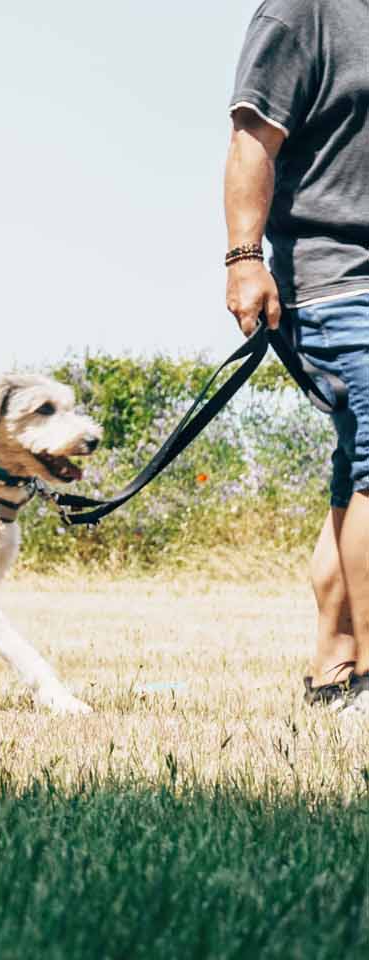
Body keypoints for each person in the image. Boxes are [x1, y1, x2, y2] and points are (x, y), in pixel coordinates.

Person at [225, 1, 369, 712]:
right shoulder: (303, 10)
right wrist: (244, 259)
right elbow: (252, 139)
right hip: (336, 275)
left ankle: (333, 669)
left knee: (358, 467)